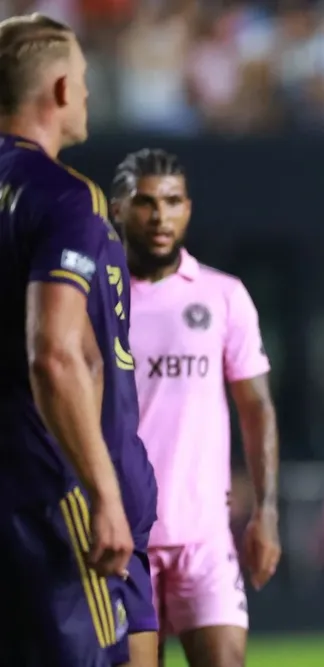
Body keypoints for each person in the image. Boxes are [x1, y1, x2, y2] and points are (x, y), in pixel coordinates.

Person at [0, 13, 158, 667]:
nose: (89, 95)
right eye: (86, 81)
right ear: (61, 89)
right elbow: (57, 353)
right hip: (53, 494)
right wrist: (104, 494)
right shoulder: (68, 200)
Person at [111, 148, 281, 667]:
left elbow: (256, 407)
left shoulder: (223, 296)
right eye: (145, 202)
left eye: (173, 201)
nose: (160, 216)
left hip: (205, 537)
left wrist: (266, 511)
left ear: (189, 208)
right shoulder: (99, 296)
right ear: (118, 209)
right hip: (124, 537)